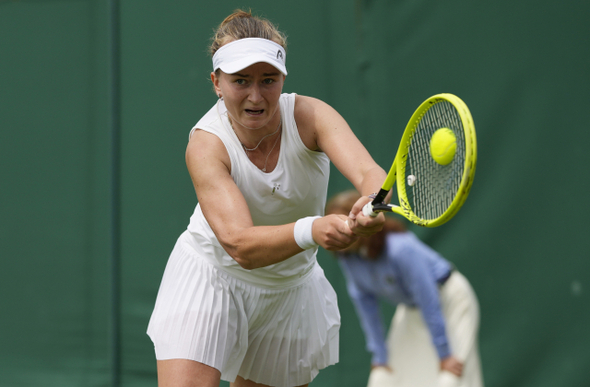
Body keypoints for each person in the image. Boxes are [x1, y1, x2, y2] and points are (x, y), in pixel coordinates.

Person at [146, 10, 388, 387]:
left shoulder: (311, 116)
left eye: (268, 80)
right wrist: (313, 229)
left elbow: (369, 173)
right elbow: (240, 245)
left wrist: (374, 202)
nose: (255, 96)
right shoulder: (207, 144)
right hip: (213, 277)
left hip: (289, 293)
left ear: (283, 79)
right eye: (240, 81)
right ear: (216, 82)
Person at [326, 190, 484, 387]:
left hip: (451, 301)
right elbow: (366, 305)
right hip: (412, 309)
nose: (337, 231)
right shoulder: (348, 258)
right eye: (332, 225)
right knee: (387, 377)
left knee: (450, 379)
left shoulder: (400, 249)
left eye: (343, 223)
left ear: (361, 222)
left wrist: (444, 354)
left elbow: (428, 298)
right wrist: (380, 357)